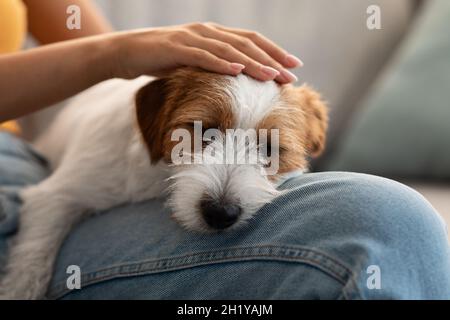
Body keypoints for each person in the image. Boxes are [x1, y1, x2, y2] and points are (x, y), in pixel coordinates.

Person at [1, 0, 449, 299]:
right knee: (385, 223)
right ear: (156, 120)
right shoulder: (112, 151)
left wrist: (125, 51)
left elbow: (107, 56)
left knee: (384, 221)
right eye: (202, 134)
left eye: (269, 150)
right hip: (20, 181)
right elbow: (55, 201)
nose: (225, 185)